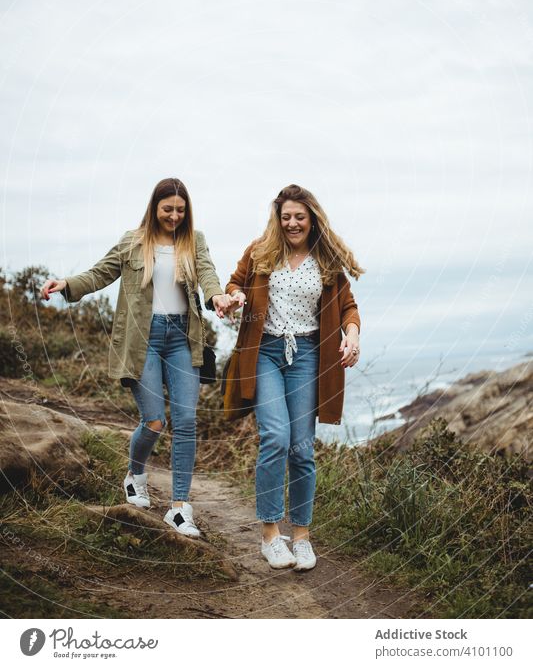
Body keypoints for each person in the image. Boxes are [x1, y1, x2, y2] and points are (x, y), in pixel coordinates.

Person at [41, 177, 233, 538]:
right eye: (167, 209)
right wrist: (67, 284)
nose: (174, 216)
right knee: (155, 421)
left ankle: (178, 508)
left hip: (182, 338)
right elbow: (100, 273)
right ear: (154, 207)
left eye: (180, 210)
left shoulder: (195, 241)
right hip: (142, 339)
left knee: (187, 422)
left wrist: (218, 297)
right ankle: (135, 474)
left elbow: (208, 275)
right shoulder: (133, 242)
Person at [226, 184, 364, 571]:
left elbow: (349, 307)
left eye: (299, 217)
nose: (291, 223)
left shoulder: (326, 260)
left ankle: (301, 536)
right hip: (265, 352)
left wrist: (351, 335)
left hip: (307, 357)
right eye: (285, 216)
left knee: (302, 449)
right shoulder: (260, 250)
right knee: (275, 437)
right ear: (277, 218)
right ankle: (271, 535)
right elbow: (234, 282)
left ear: (312, 219)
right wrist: (235, 296)